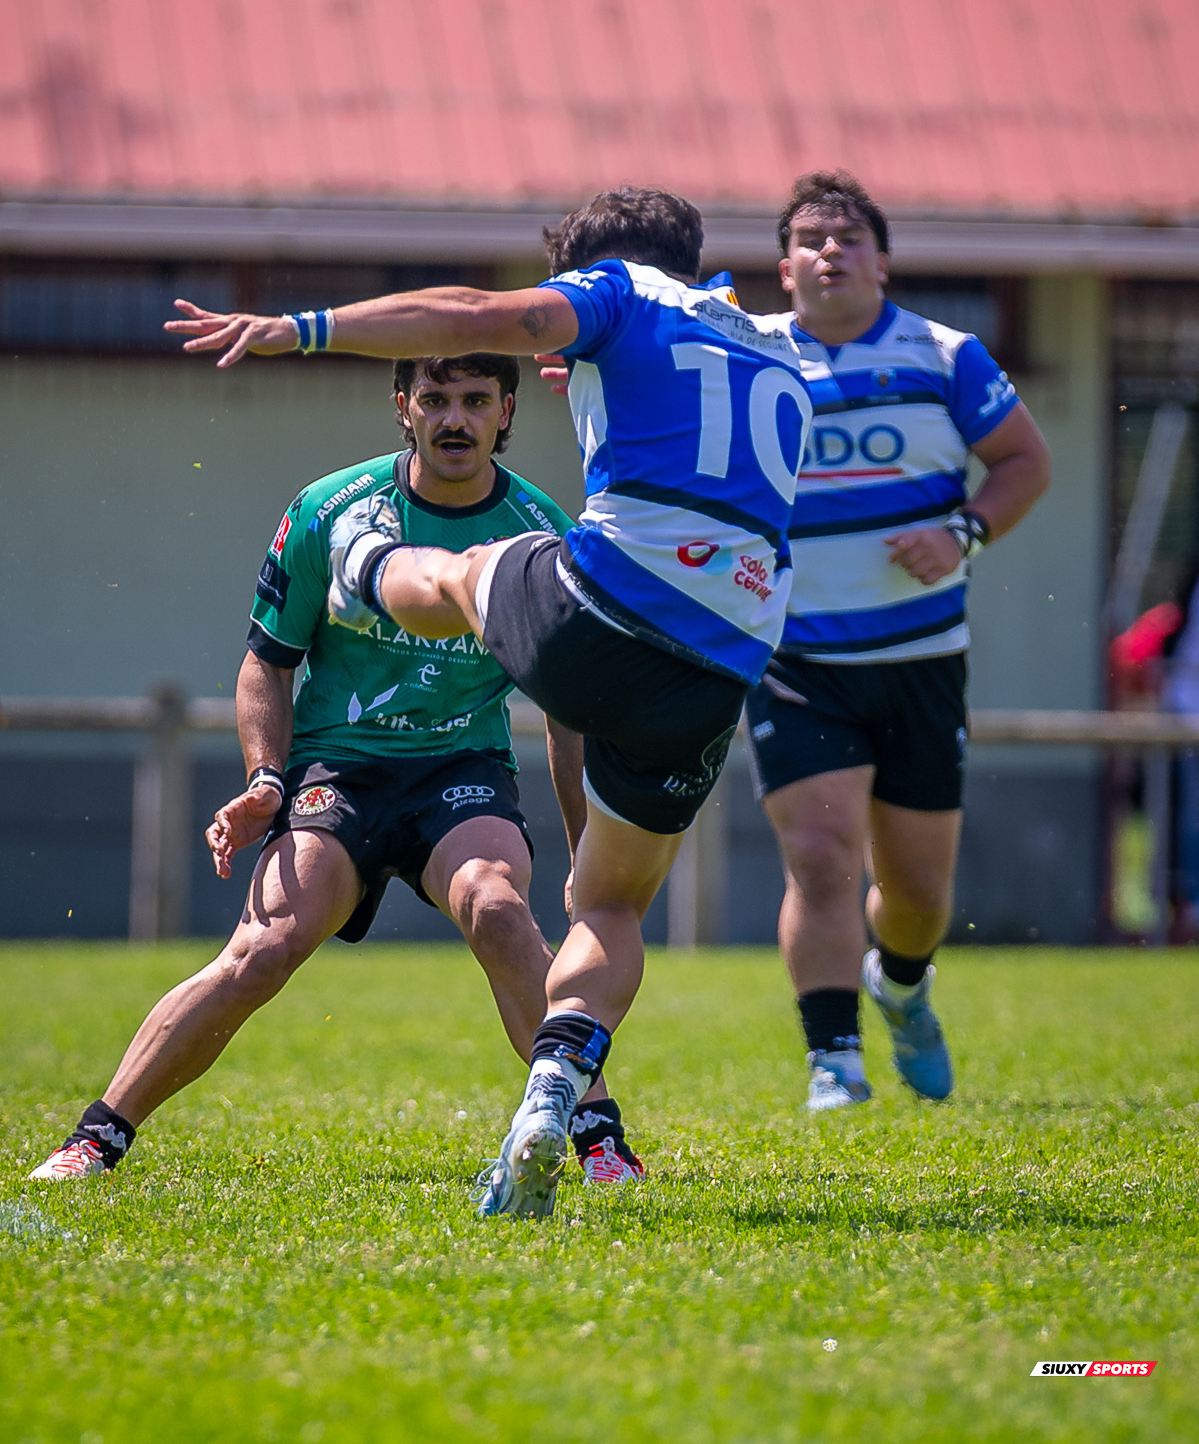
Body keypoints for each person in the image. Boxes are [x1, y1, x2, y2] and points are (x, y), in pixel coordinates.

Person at [163, 186, 814, 1218]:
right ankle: (558, 1083)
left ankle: (370, 568)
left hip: (609, 607)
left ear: (591, 264)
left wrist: (304, 329)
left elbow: (476, 316)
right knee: (604, 906)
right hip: (716, 662)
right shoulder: (777, 342)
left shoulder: (618, 291)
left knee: (477, 575)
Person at [30, 353, 642, 1189]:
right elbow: (267, 661)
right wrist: (265, 781)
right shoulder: (330, 508)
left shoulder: (541, 538)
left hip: (460, 769)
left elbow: (568, 715)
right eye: (434, 400)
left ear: (506, 411)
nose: (452, 419)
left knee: (501, 912)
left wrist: (585, 850)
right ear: (403, 408)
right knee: (262, 950)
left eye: (473, 401)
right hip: (338, 772)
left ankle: (600, 1140)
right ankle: (95, 1139)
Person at [743, 170, 1051, 1112]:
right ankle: (832, 1061)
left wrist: (960, 532)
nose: (829, 251)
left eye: (848, 238)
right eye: (810, 239)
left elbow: (1024, 463)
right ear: (784, 267)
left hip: (919, 660)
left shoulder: (946, 355)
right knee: (823, 854)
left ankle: (902, 985)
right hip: (794, 663)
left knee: (916, 895)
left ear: (882, 260)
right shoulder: (746, 355)